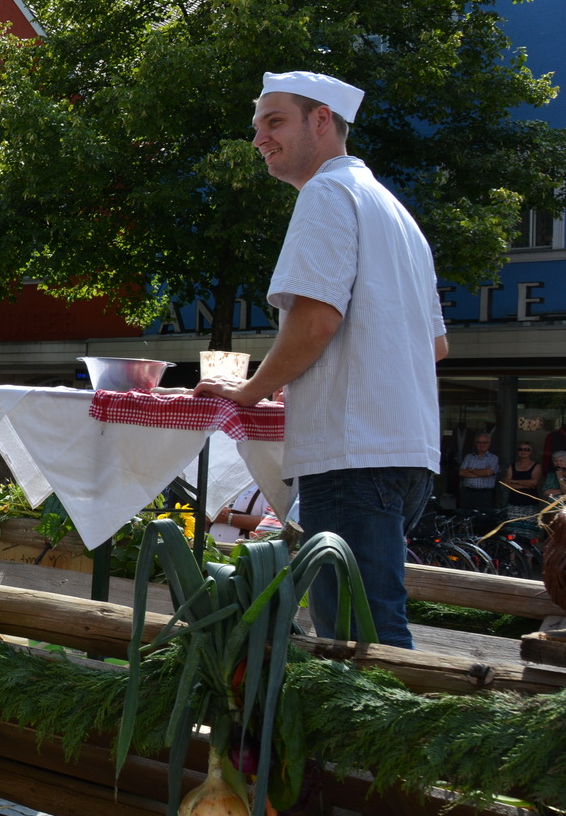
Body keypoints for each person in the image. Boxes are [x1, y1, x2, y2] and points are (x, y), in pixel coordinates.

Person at [196, 71, 445, 649]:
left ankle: (377, 742)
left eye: (274, 121)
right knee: (370, 627)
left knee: (360, 643)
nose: (259, 137)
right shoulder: (397, 214)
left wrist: (251, 390)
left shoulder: (328, 194)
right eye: (257, 125)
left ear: (323, 121)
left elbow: (315, 321)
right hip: (406, 453)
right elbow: (434, 347)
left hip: (351, 456)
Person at [209, 483, 283, 544]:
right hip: (212, 550)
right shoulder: (227, 480)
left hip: (241, 554)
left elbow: (271, 525)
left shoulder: (271, 486)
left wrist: (227, 518)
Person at [458, 433, 500, 509]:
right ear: (475, 444)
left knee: (483, 518)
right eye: (479, 442)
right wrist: (482, 473)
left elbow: (488, 473)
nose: (482, 444)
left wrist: (471, 470)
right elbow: (462, 472)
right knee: (466, 516)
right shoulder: (468, 457)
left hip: (484, 494)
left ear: (489, 444)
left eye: (485, 442)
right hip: (468, 493)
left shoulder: (493, 458)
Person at [503, 441, 545, 507]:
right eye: (520, 449)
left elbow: (534, 482)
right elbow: (507, 483)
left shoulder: (536, 466)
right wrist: (526, 486)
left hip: (530, 503)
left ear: (531, 452)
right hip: (513, 502)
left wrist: (515, 481)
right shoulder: (512, 466)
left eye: (527, 450)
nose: (523, 451)